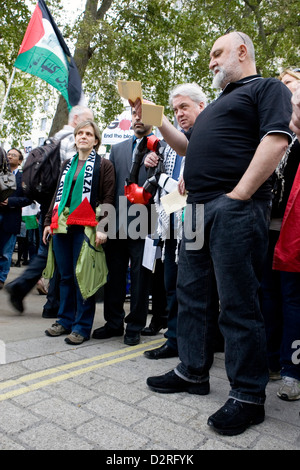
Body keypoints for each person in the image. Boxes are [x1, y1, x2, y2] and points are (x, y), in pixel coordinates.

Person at [141, 31, 293, 436]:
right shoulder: (215, 108)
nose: (210, 61)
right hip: (195, 210)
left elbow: (277, 138)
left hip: (234, 208)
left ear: (242, 52)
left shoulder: (267, 88)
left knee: (238, 303)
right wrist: (155, 117)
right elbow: (187, 147)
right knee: (191, 294)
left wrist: (240, 195)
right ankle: (192, 371)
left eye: (216, 53)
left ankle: (247, 396)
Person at [5, 106, 94, 315]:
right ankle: (24, 288)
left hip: (49, 202)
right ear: (76, 119)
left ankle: (50, 303)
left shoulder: (55, 138)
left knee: (52, 251)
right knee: (54, 252)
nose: (88, 127)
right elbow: (74, 174)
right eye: (86, 121)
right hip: (62, 205)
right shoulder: (71, 141)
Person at [142, 82, 209, 359]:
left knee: (195, 288)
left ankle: (198, 343)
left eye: (184, 107)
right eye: (175, 109)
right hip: (171, 222)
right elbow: (165, 180)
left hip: (197, 221)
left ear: (201, 106)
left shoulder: (209, 135)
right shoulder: (170, 145)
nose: (179, 113)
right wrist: (150, 161)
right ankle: (174, 339)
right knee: (172, 283)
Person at [43, 120, 115, 345]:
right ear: (75, 138)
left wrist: (104, 227)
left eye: (88, 134)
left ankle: (82, 326)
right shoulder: (67, 164)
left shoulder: (104, 165)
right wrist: (48, 221)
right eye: (80, 133)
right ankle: (64, 320)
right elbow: (57, 195)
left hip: (87, 226)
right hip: (62, 224)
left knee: (82, 276)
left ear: (96, 141)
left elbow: (108, 198)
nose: (83, 136)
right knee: (64, 276)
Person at [92, 105, 154, 346]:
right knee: (114, 276)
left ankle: (135, 326)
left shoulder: (161, 147)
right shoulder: (116, 149)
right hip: (116, 223)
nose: (138, 119)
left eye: (143, 116)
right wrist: (104, 224)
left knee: (140, 279)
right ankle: (114, 322)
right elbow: (110, 189)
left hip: (145, 223)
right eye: (135, 115)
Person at [261, 67, 300, 400]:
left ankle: (292, 370)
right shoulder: (272, 134)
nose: (285, 92)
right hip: (267, 229)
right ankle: (271, 362)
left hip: (294, 236)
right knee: (267, 297)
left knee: (292, 301)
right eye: (282, 86)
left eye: (291, 86)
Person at [0, 148, 31, 289]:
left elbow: (28, 199)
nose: (10, 157)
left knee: (6, 252)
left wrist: (10, 202)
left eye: (14, 155)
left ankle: (1, 278)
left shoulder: (24, 178)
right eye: (8, 154)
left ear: (19, 161)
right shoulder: (1, 173)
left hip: (11, 218)